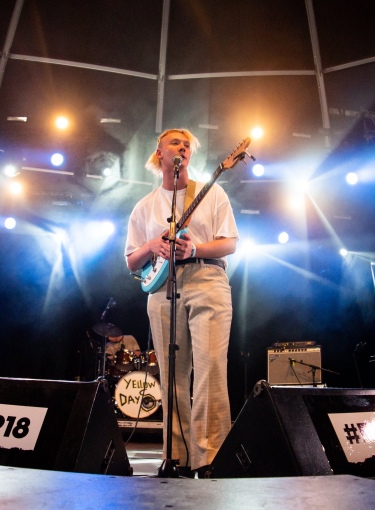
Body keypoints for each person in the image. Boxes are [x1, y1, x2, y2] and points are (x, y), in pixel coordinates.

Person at [125, 128, 238, 477]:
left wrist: (196, 248)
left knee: (210, 371)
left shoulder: (212, 192)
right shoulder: (144, 206)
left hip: (207, 279)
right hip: (163, 289)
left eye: (187, 144)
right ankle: (175, 457)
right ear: (159, 153)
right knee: (172, 377)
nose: (183, 147)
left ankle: (210, 459)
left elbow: (230, 243)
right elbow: (131, 260)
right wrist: (153, 245)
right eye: (175, 142)